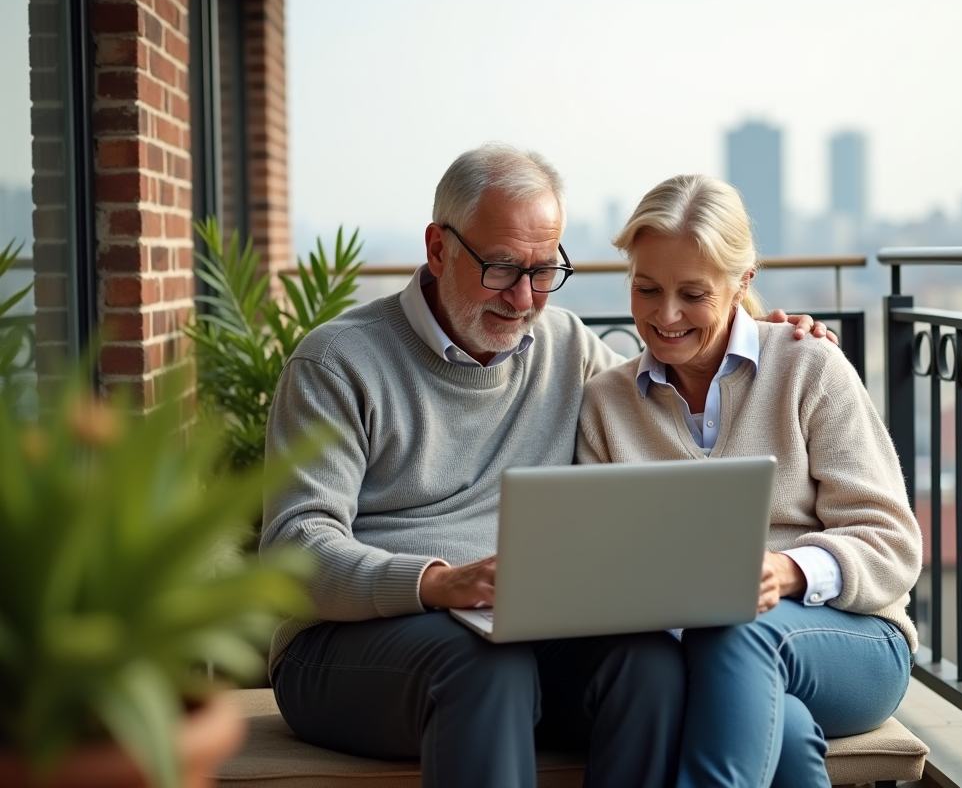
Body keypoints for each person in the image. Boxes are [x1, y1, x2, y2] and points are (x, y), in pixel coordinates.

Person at [260, 145, 836, 788]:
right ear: (438, 248)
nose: (523, 297)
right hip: (350, 645)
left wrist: (766, 337)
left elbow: (675, 383)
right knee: (486, 665)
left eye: (543, 271)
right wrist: (435, 582)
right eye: (502, 268)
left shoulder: (565, 348)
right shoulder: (337, 363)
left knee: (649, 664)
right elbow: (294, 549)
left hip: (519, 633)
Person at [576, 174, 922, 788]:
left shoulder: (808, 365)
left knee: (732, 632)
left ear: (743, 282)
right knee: (784, 732)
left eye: (693, 294)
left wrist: (786, 571)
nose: (666, 315)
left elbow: (892, 542)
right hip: (691, 658)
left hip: (850, 642)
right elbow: (600, 568)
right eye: (647, 288)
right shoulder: (606, 403)